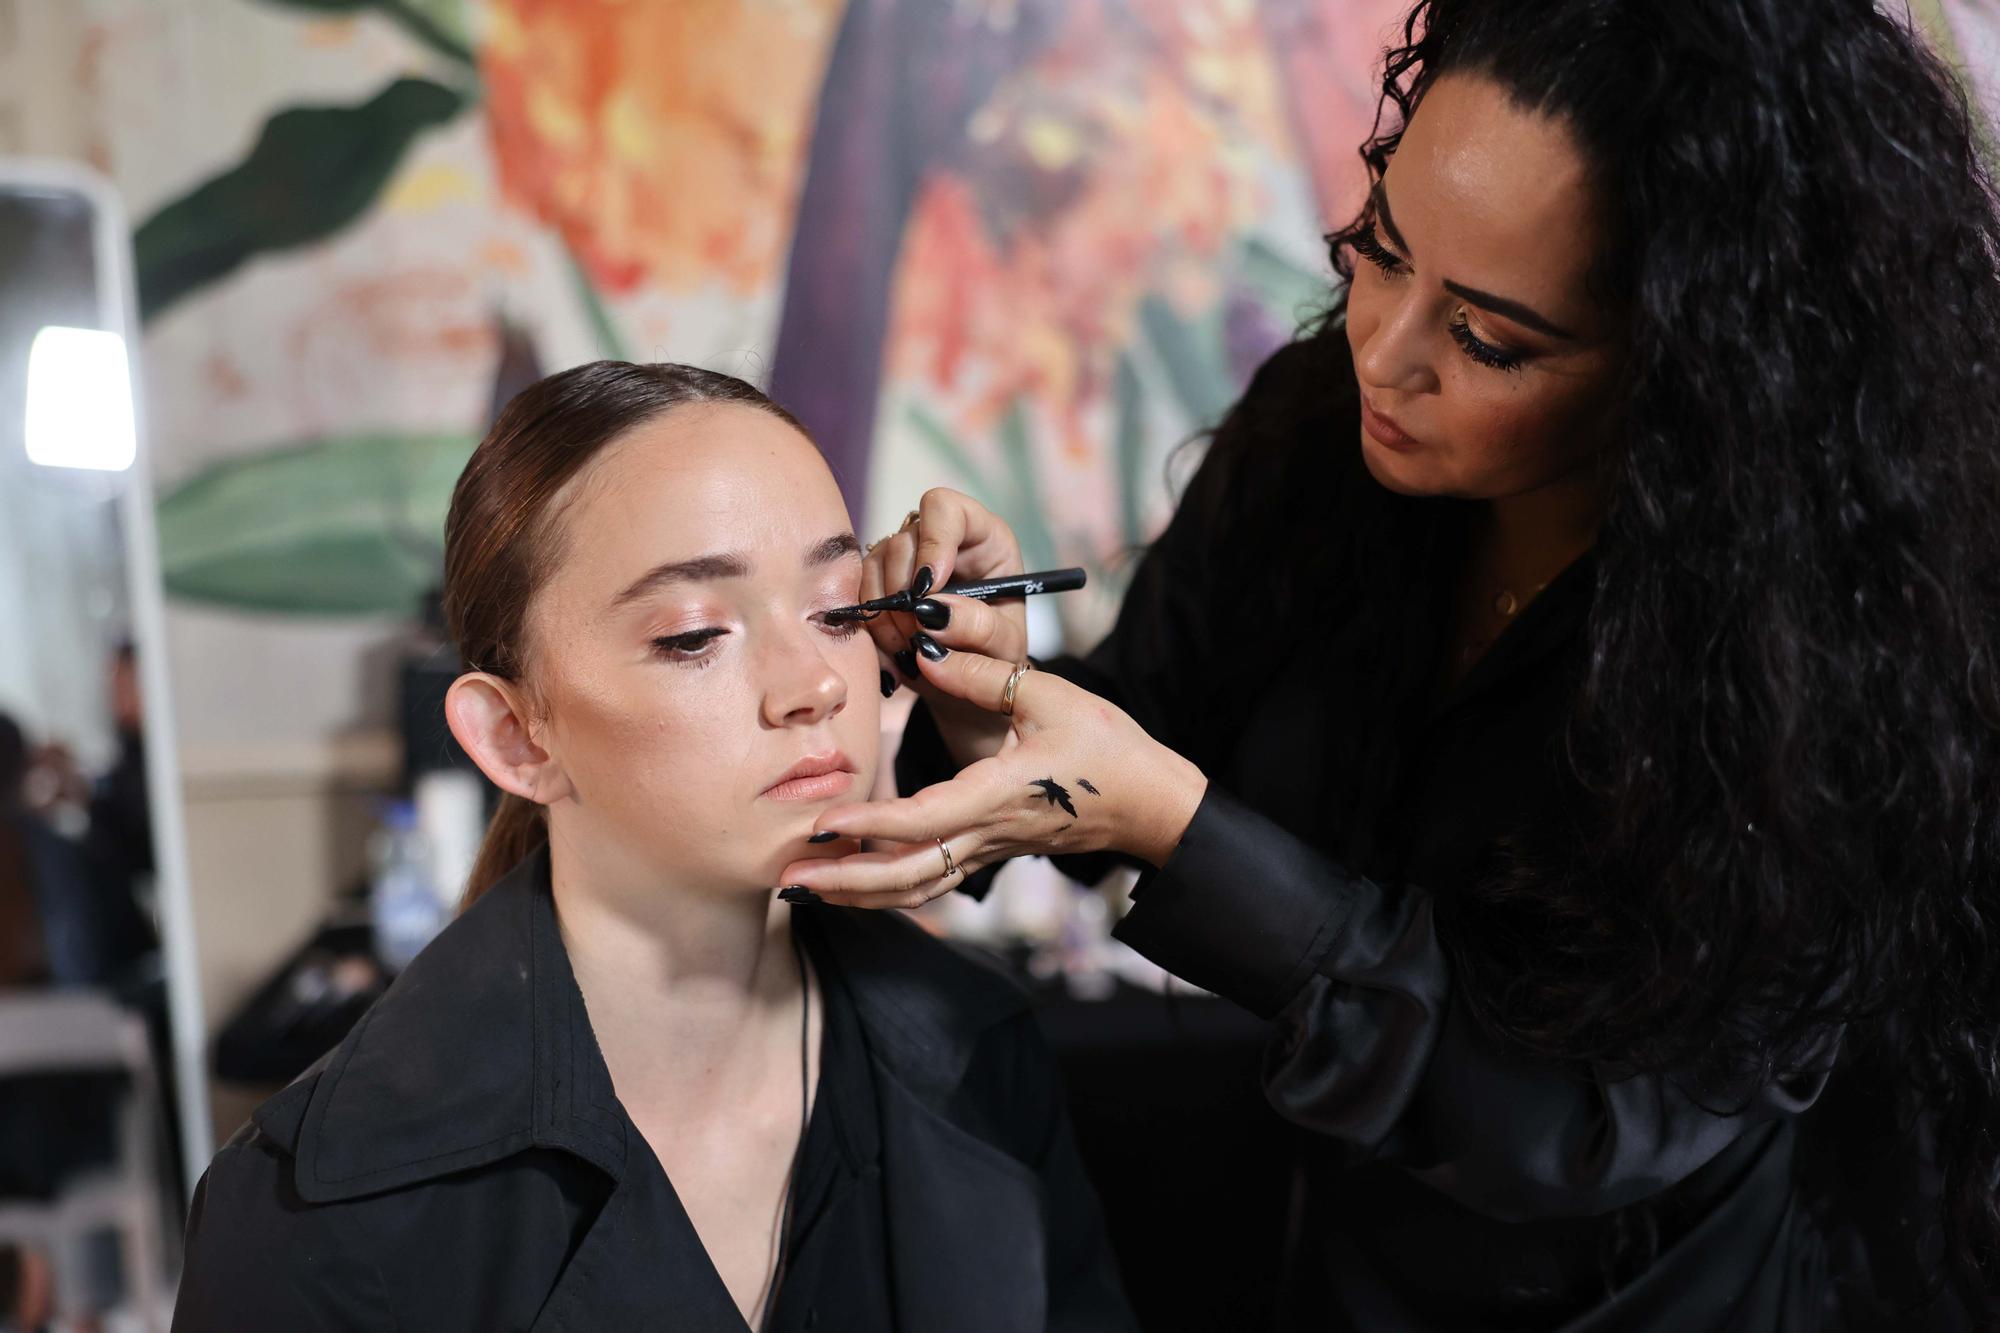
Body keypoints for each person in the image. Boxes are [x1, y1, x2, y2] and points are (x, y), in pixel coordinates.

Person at [780, 1, 2000, 1327]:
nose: (1382, 347)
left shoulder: (1818, 648)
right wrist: (988, 686)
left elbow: (1578, 1123)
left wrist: (1177, 827)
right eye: (1378, 247)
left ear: (1692, 363)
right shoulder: (1320, 451)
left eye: (1488, 340)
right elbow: (1147, 736)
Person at [172, 363, 1132, 1332]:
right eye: (692, 635)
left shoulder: (976, 1054)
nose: (816, 684)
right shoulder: (315, 1216)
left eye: (838, 609)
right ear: (515, 736)